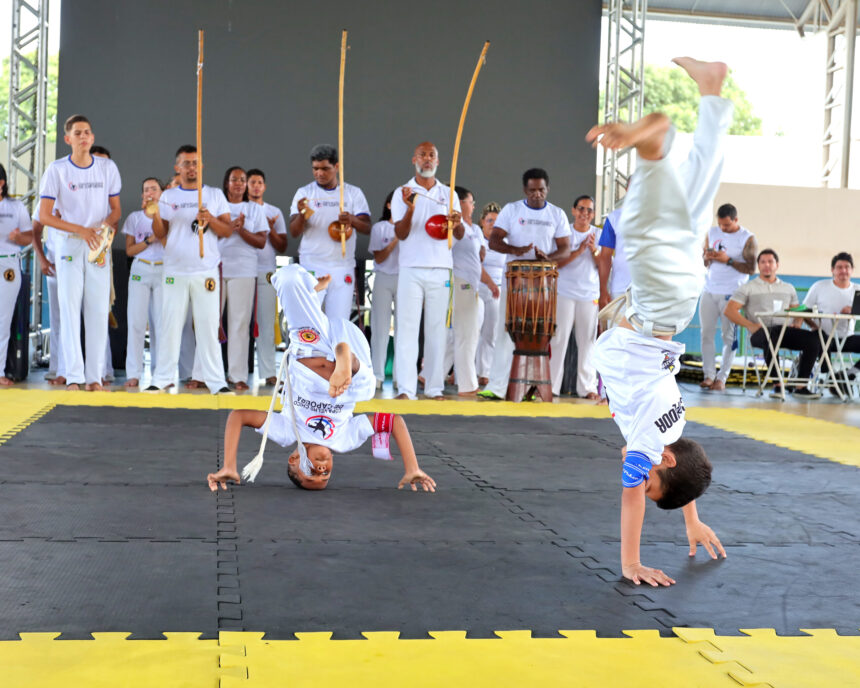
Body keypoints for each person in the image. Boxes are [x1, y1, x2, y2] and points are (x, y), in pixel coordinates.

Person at [587, 57, 730, 586]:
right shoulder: (651, 443)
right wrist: (630, 564)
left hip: (672, 310)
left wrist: (691, 518)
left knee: (696, 196)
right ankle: (653, 146)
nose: (637, 480)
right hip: (655, 312)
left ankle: (712, 88)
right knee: (646, 227)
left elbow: (678, 469)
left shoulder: (673, 432)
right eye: (650, 482)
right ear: (662, 461)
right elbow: (632, 495)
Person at [206, 263, 437, 492]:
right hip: (354, 356)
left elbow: (237, 416)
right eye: (325, 474)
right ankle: (345, 357)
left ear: (294, 459)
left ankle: (314, 294)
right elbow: (393, 421)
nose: (321, 469)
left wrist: (229, 465)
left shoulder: (286, 432)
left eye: (312, 472)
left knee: (288, 278)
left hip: (313, 347)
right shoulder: (344, 440)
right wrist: (412, 467)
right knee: (365, 390)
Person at [38, 115, 121, 391]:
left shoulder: (107, 168)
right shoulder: (57, 170)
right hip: (69, 245)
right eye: (77, 133)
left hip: (97, 245)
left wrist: (103, 227)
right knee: (70, 309)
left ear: (92, 137)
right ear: (67, 139)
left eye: (87, 132)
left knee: (98, 310)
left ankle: (94, 377)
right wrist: (80, 230)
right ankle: (74, 375)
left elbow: (116, 209)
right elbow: (45, 216)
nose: (83, 136)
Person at [477, 168, 571, 400]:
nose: (537, 194)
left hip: (543, 282)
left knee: (537, 332)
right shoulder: (512, 210)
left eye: (541, 190)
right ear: (524, 190)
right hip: (515, 280)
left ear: (547, 189)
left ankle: (532, 387)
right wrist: (515, 250)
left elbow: (565, 249)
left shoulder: (556, 214)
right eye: (532, 190)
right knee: (506, 331)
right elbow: (494, 241)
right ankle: (498, 387)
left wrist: (548, 258)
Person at [146, 144, 232, 394]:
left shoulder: (214, 195)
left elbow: (227, 231)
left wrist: (210, 218)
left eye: (195, 163)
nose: (191, 167)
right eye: (186, 163)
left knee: (208, 326)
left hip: (206, 270)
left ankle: (216, 381)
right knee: (170, 325)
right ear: (178, 167)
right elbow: (160, 233)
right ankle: (162, 378)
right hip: (175, 269)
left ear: (201, 166)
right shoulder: (169, 196)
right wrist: (155, 215)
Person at [390, 141, 465, 400]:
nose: (427, 159)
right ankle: (406, 388)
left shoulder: (449, 193)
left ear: (438, 161)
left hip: (441, 268)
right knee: (407, 329)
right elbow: (401, 233)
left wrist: (456, 222)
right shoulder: (403, 192)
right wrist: (410, 208)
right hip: (411, 268)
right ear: (414, 159)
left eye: (432, 155)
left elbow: (460, 233)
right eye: (422, 155)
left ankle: (434, 388)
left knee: (437, 331)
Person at [724, 249, 822, 399]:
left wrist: (797, 323)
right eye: (763, 262)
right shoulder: (748, 287)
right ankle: (777, 385)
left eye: (770, 261)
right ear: (758, 265)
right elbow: (729, 310)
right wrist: (750, 325)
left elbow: (797, 311)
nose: (767, 265)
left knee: (813, 339)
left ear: (777, 265)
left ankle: (801, 386)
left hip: (785, 331)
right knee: (771, 335)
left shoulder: (788, 287)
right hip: (760, 333)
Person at [289, 145, 371, 320]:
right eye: (315, 169)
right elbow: (294, 232)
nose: (319, 173)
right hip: (312, 264)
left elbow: (366, 227)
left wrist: (352, 220)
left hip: (342, 266)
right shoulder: (305, 193)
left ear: (336, 166)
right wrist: (302, 214)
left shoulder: (353, 193)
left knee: (338, 321)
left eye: (325, 168)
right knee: (310, 321)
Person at [219, 166, 268, 390]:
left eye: (242, 179)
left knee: (239, 324)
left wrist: (241, 230)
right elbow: (209, 233)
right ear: (226, 183)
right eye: (234, 179)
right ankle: (203, 374)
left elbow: (261, 242)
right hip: (216, 268)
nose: (238, 183)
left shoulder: (254, 209)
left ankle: (237, 375)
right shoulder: (217, 204)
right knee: (210, 322)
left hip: (244, 271)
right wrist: (229, 227)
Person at [699, 203, 757, 391]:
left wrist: (728, 260)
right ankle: (708, 375)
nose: (723, 228)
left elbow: (751, 268)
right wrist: (708, 257)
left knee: (728, 337)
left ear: (735, 220)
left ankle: (722, 377)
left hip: (732, 292)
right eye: (720, 224)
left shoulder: (746, 238)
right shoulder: (712, 232)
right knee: (706, 334)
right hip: (709, 289)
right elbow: (704, 260)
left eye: (727, 225)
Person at [549, 194, 600, 399]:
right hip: (564, 292)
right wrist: (579, 251)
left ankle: (587, 388)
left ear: (593, 214)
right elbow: (556, 264)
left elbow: (603, 266)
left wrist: (594, 250)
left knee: (587, 342)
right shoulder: (565, 233)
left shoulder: (598, 234)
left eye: (589, 210)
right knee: (558, 339)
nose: (584, 213)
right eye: (581, 209)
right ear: (573, 210)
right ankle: (552, 386)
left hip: (589, 295)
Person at [123, 176, 166, 388]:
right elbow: (130, 250)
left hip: (163, 269)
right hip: (141, 268)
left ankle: (160, 373)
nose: (150, 193)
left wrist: (157, 221)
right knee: (136, 322)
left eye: (154, 189)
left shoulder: (167, 216)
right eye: (147, 189)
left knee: (161, 323)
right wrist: (149, 240)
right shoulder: (134, 218)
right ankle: (134, 373)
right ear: (142, 194)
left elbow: (169, 243)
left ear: (161, 193)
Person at [247, 168, 288, 386]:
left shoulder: (274, 212)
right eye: (252, 182)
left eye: (259, 182)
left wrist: (271, 229)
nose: (255, 186)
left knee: (266, 324)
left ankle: (269, 373)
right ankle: (236, 373)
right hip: (242, 270)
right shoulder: (240, 209)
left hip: (266, 271)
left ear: (264, 186)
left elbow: (283, 246)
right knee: (239, 324)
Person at [444, 186, 484, 396]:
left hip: (472, 284)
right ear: (460, 203)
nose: (473, 206)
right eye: (470, 202)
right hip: (460, 282)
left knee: (465, 334)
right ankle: (468, 385)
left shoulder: (473, 229)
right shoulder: (454, 224)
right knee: (465, 335)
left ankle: (434, 375)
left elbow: (480, 254)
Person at [803, 252, 860, 390]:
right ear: (832, 270)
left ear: (852, 270)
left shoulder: (858, 289)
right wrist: (814, 326)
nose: (843, 270)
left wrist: (853, 310)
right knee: (820, 338)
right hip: (823, 337)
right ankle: (826, 374)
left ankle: (850, 373)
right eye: (839, 267)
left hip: (847, 338)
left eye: (847, 267)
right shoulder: (819, 286)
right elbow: (804, 312)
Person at [0, 163, 34, 386]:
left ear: (1, 183)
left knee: (2, 320)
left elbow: (29, 237)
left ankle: (0, 370)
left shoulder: (15, 206)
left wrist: (17, 237)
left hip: (8, 266)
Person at [31, 209, 66, 384]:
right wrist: (42, 259)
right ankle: (57, 368)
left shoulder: (81, 195)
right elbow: (34, 231)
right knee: (56, 318)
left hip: (81, 261)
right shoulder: (45, 200)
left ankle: (100, 371)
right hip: (54, 263)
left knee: (91, 317)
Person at [368, 191, 398, 388]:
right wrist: (396, 239)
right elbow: (379, 257)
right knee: (380, 327)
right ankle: (377, 375)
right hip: (383, 277)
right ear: (388, 205)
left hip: (405, 279)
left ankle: (400, 377)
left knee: (404, 330)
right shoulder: (380, 228)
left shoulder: (411, 227)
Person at [476, 202, 503, 387]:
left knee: (490, 332)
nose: (493, 224)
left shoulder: (503, 242)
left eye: (496, 221)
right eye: (489, 220)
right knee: (473, 330)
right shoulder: (477, 238)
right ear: (482, 222)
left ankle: (484, 372)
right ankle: (466, 372)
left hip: (497, 290)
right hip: (477, 287)